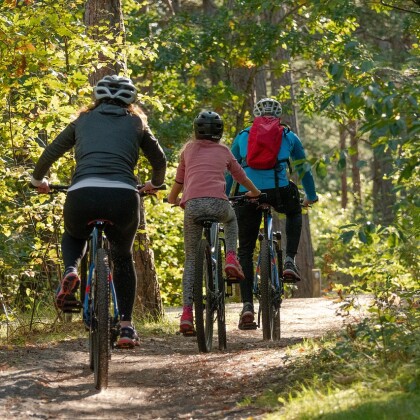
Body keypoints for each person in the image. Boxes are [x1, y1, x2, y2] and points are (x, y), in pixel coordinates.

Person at [30, 75, 167, 348]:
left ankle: (71, 269)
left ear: (97, 97)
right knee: (123, 257)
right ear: (131, 101)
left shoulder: (82, 120)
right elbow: (159, 159)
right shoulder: (137, 122)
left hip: (83, 192)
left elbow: (50, 153)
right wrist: (155, 183)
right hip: (123, 196)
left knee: (74, 234)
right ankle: (126, 326)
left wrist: (38, 181)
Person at [226, 98, 318, 330]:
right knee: (295, 212)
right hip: (279, 192)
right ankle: (289, 260)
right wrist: (311, 195)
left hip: (248, 194)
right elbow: (303, 169)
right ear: (278, 115)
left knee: (245, 249)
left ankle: (247, 305)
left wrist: (227, 195)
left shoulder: (243, 135)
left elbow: (230, 170)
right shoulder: (288, 136)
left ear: (256, 115)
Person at [167, 111, 261, 335]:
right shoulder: (224, 151)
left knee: (191, 259)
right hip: (219, 205)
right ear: (220, 133)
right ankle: (230, 256)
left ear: (196, 130)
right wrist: (255, 192)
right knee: (231, 218)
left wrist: (173, 199)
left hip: (193, 207)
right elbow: (240, 176)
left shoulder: (188, 150)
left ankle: (187, 313)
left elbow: (179, 181)